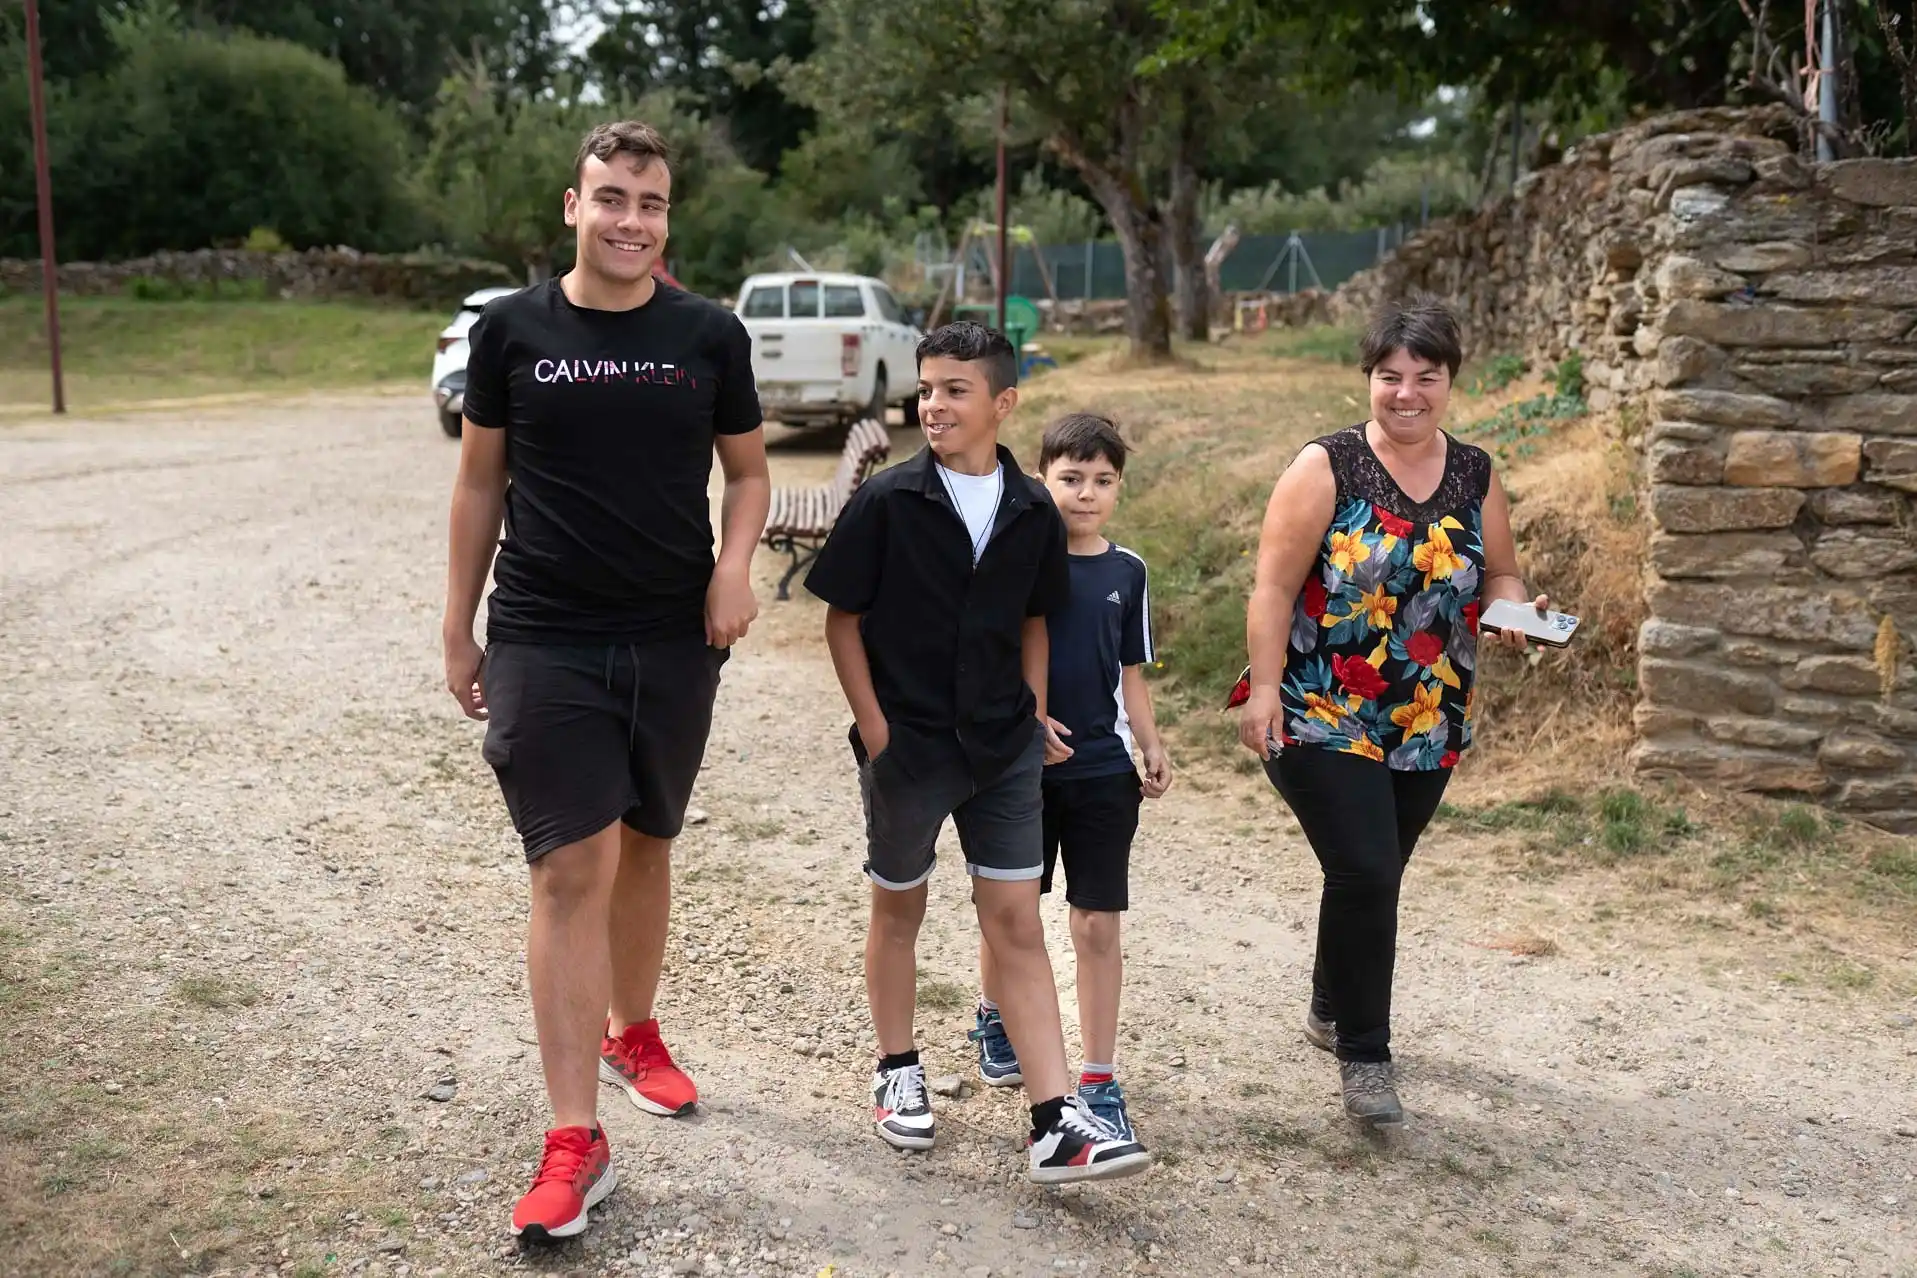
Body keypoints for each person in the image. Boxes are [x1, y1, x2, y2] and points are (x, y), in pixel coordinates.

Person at [441, 120, 770, 1241]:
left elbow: (751, 470)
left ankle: (637, 1030)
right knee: (571, 861)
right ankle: (574, 1137)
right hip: (544, 631)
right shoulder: (512, 329)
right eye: (613, 198)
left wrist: (734, 568)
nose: (633, 220)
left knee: (646, 841)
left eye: (653, 202)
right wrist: (457, 625)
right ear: (572, 208)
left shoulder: (708, 334)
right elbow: (480, 484)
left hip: (676, 638)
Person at [804, 322, 1151, 1184]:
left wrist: (1030, 712)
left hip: (1002, 751)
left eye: (954, 390)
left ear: (1002, 403)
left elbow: (1034, 618)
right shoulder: (887, 500)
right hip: (909, 750)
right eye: (925, 389)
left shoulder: (1033, 508)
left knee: (1015, 923)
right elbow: (840, 619)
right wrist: (877, 732)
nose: (933, 405)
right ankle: (896, 1071)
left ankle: (1052, 1122)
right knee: (900, 910)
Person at [1233, 296, 1546, 1127]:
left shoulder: (1475, 472)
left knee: (1373, 870)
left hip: (1425, 713)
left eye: (1425, 377)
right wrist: (1263, 689)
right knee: (1367, 868)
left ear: (1450, 382)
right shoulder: (1324, 466)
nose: (1405, 393)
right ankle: (1365, 1058)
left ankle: (1330, 1002)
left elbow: (1500, 574)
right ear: (1367, 379)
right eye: (1388, 376)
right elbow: (1269, 586)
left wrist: (1516, 610)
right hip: (1317, 701)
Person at [969, 412, 1171, 1146]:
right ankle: (995, 1019)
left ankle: (1098, 1076)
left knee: (1095, 922)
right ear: (1041, 477)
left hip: (1101, 773)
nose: (1085, 494)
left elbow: (1131, 675)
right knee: (1012, 909)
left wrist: (1148, 745)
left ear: (1118, 486)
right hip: (1021, 767)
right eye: (1070, 478)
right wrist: (1027, 722)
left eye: (1102, 480)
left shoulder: (1128, 571)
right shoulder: (1015, 557)